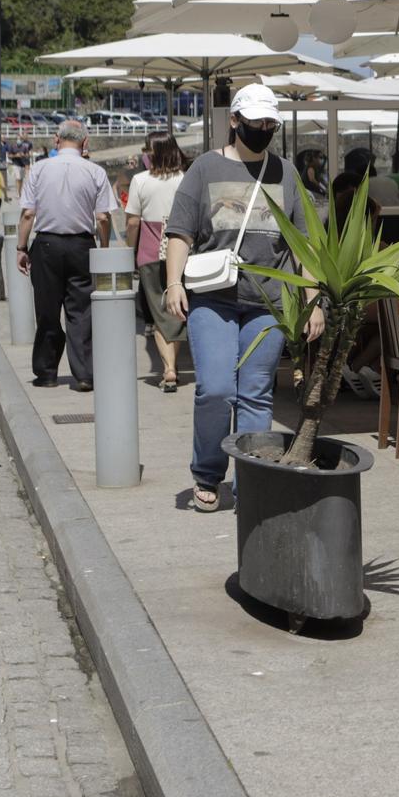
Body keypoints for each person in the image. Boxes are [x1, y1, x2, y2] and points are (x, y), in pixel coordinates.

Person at [164, 83, 316, 513]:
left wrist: (312, 301)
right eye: (255, 123)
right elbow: (181, 230)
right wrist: (174, 282)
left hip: (268, 300)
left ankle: (253, 476)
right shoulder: (205, 169)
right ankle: (208, 472)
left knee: (256, 392)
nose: (263, 129)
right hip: (214, 296)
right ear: (234, 121)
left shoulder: (285, 173)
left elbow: (302, 243)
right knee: (214, 389)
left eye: (270, 123)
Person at [15, 120, 116, 392]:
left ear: (55, 140)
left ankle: (47, 372)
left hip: (46, 244)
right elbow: (104, 217)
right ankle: (83, 373)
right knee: (81, 310)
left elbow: (27, 213)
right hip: (82, 245)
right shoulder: (95, 172)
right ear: (86, 143)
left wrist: (21, 248)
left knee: (47, 309)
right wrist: (103, 248)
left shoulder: (38, 169)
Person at [126, 134, 189, 393]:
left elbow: (132, 223)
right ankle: (172, 366)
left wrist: (130, 251)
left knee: (159, 312)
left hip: (150, 253)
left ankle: (169, 368)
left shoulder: (140, 181)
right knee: (176, 314)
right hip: (184, 253)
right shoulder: (186, 179)